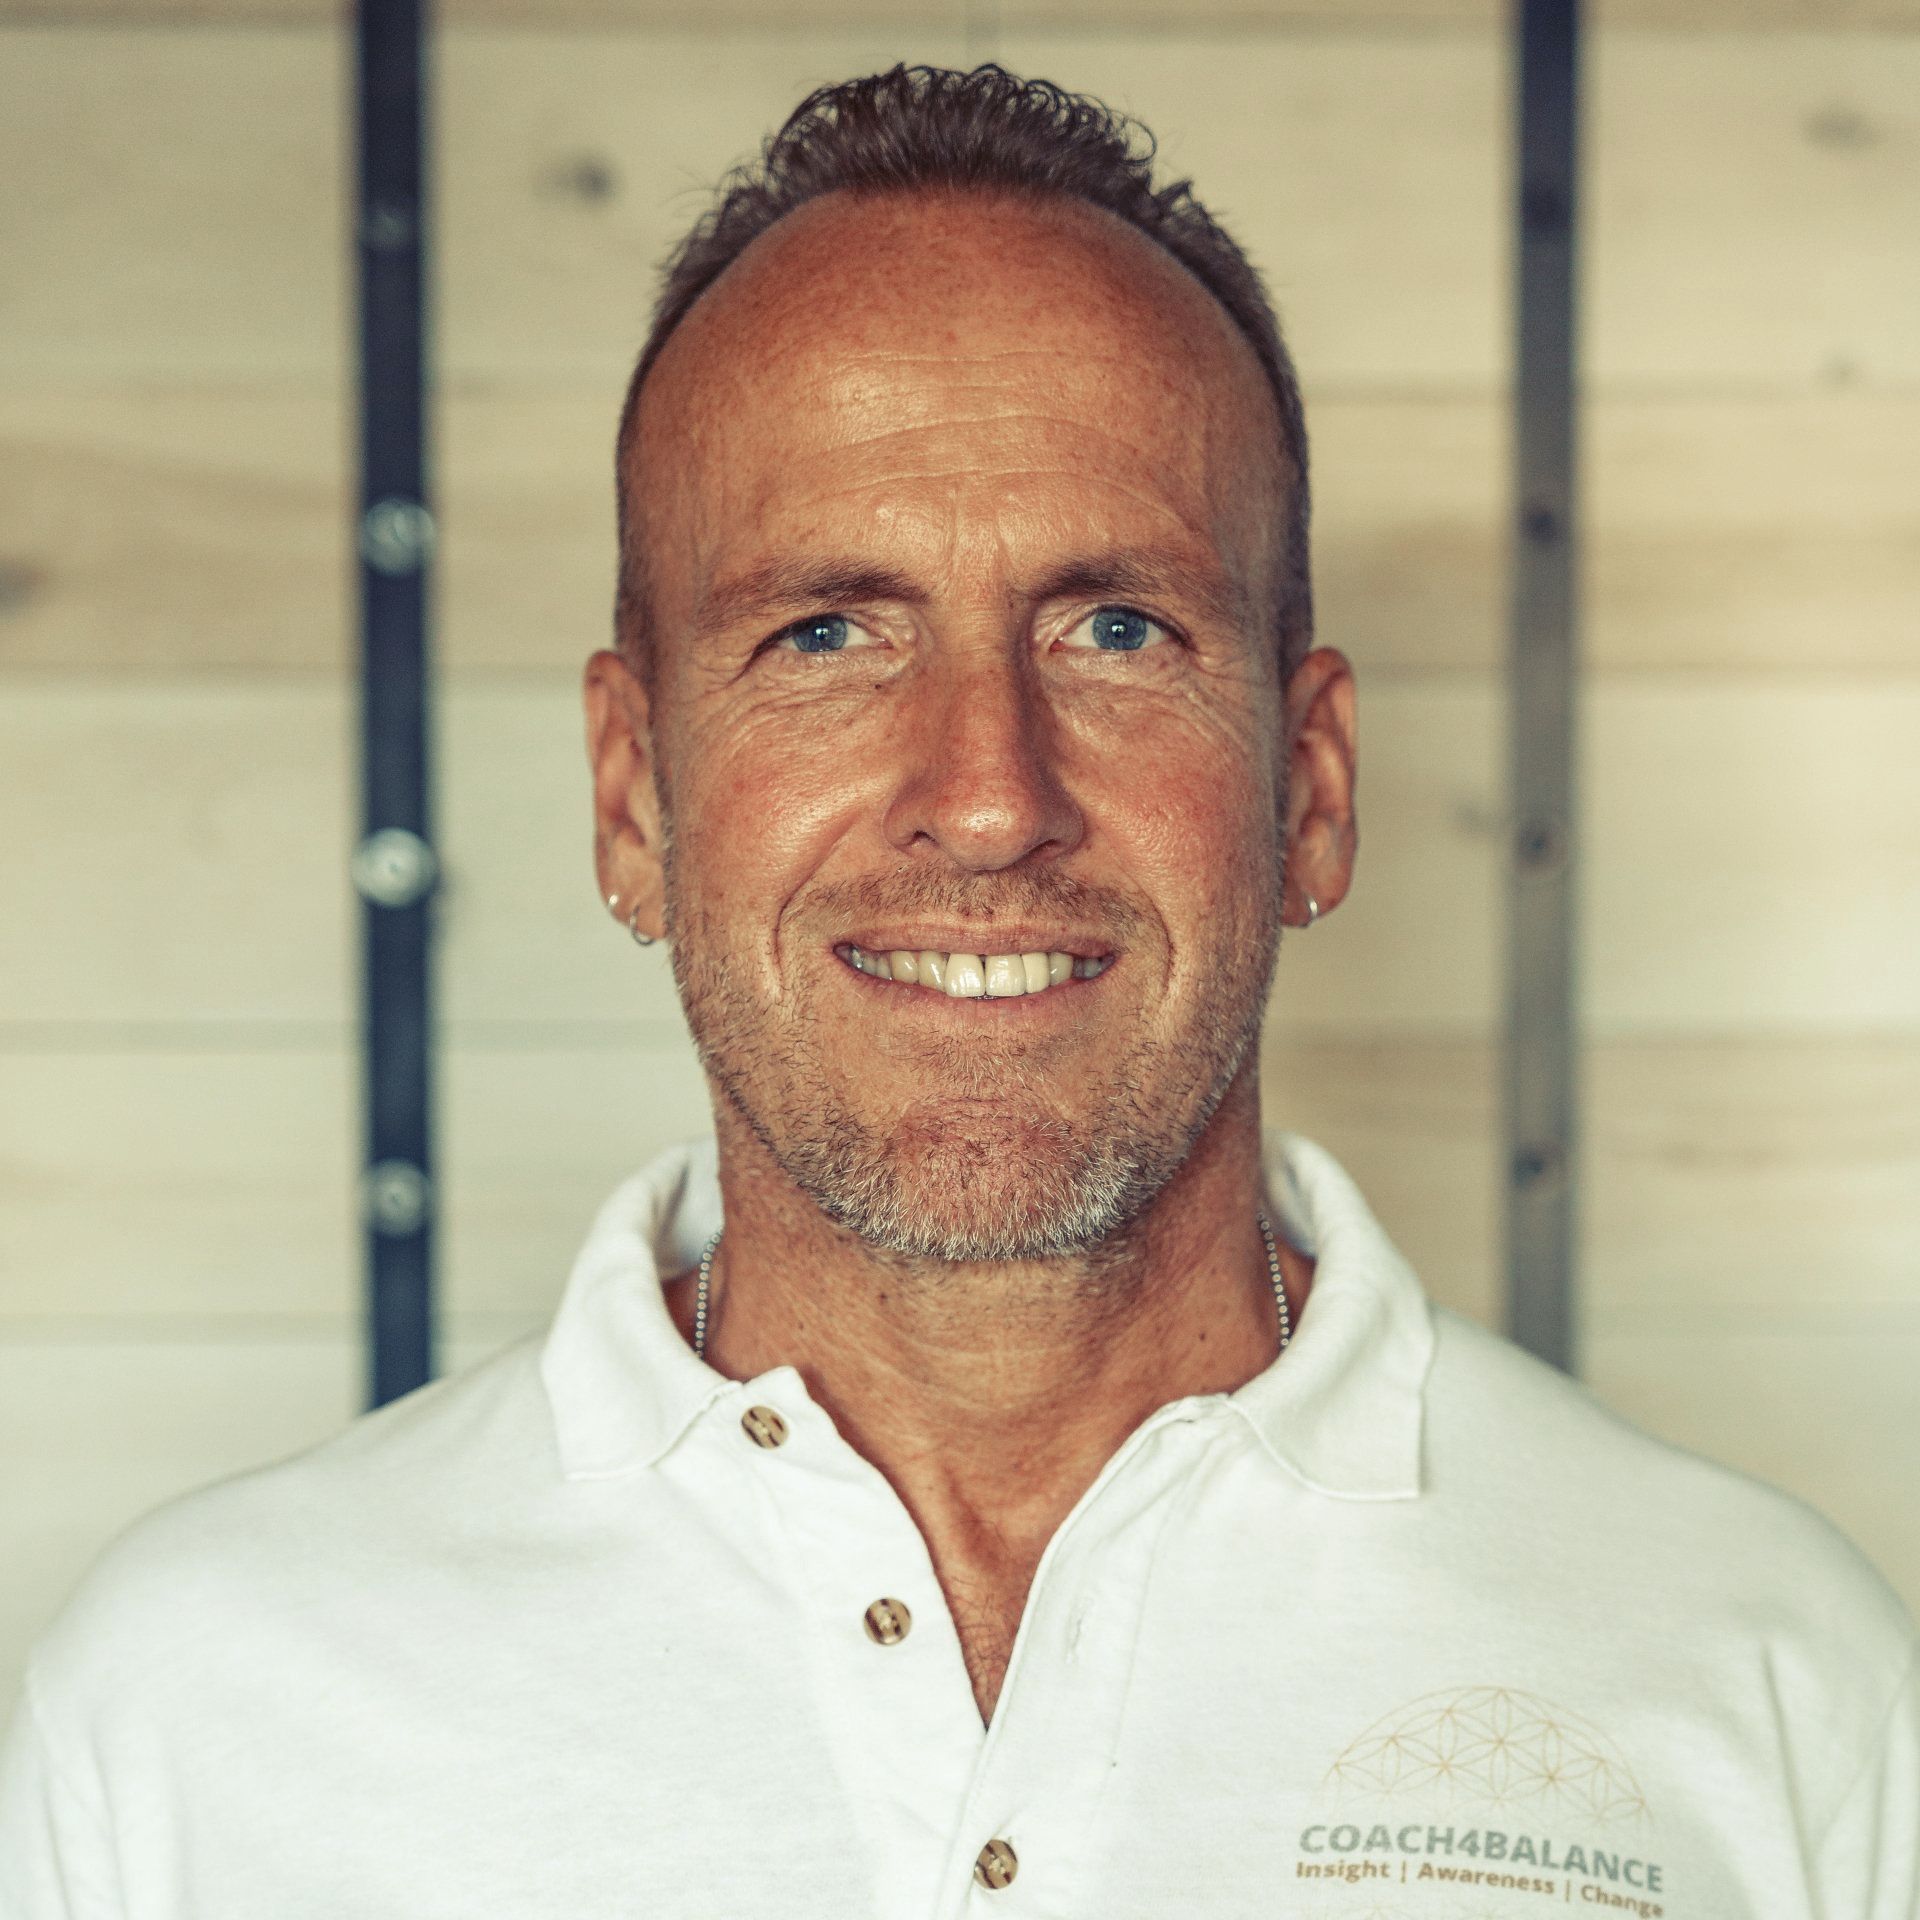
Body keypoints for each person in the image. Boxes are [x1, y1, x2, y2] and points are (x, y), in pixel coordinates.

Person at [2, 61, 1914, 1919]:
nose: (990, 796)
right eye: (827, 632)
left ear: (1310, 789)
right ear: (634, 796)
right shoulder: (191, 1711)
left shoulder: (1770, 1679)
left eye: (1116, 628)